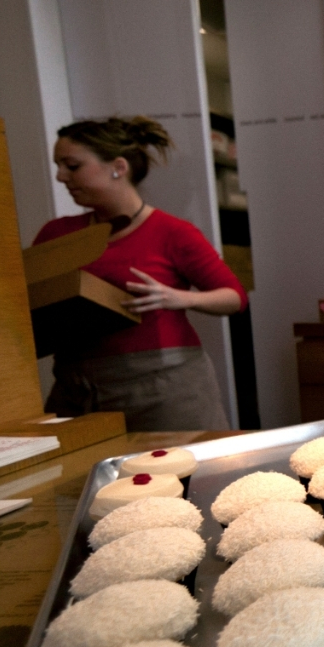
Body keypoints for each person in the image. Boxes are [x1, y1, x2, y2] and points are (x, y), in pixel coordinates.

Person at [33, 116, 247, 431]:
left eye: (72, 165)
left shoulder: (173, 232)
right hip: (75, 392)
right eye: (58, 166)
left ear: (118, 166)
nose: (61, 176)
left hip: (163, 392)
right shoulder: (57, 234)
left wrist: (177, 297)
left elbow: (234, 298)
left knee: (183, 476)